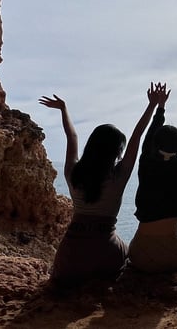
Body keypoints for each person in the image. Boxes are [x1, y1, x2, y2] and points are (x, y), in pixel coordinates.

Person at [39, 83, 165, 286]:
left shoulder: (73, 173)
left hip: (69, 258)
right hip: (107, 254)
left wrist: (64, 109)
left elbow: (72, 137)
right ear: (117, 152)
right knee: (131, 253)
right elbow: (137, 136)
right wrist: (153, 105)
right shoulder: (119, 176)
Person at [127, 85, 177, 272]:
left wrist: (160, 107)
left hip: (139, 255)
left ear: (154, 146)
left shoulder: (146, 162)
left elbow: (148, 139)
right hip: (176, 255)